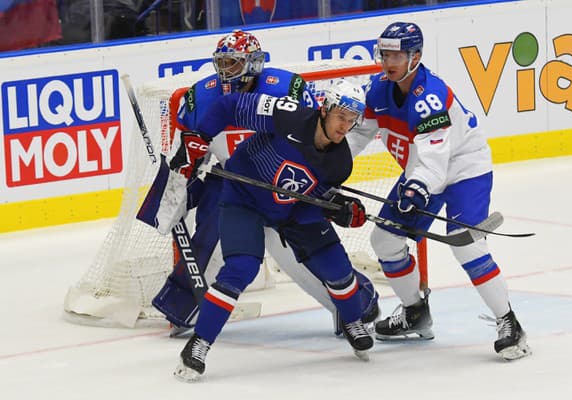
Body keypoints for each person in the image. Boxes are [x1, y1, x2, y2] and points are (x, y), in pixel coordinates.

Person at [137, 30, 379, 338]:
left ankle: (354, 307)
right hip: (233, 183)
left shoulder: (287, 89)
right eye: (221, 63)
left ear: (252, 64)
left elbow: (314, 147)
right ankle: (184, 306)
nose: (226, 72)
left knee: (294, 254)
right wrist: (176, 193)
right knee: (212, 237)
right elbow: (186, 154)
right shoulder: (201, 96)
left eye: (234, 64)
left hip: (284, 189)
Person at [347, 22, 531, 360]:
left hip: (463, 169)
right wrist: (327, 162)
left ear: (415, 56)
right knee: (385, 241)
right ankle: (415, 313)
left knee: (467, 246)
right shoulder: (378, 91)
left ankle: (509, 323)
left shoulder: (429, 97)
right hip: (423, 170)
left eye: (397, 55)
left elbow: (435, 161)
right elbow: (358, 136)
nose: (389, 61)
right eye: (384, 53)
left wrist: (415, 189)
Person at [168, 79, 374, 381]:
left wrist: (337, 210)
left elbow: (313, 200)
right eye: (341, 115)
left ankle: (352, 321)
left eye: (352, 119)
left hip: (292, 211)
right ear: (325, 108)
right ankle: (198, 345)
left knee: (338, 267)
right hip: (243, 200)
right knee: (241, 268)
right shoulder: (287, 114)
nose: (345, 125)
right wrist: (200, 136)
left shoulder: (340, 163)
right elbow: (229, 106)